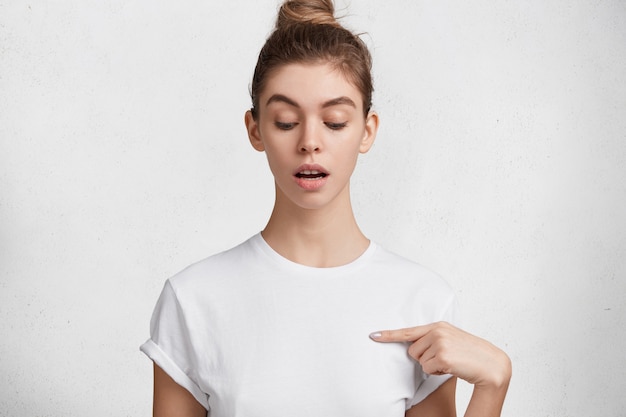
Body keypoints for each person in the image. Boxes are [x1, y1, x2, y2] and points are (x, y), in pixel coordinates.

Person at [140, 0, 512, 416]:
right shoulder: (194, 299)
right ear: (256, 129)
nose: (310, 142)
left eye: (334, 121)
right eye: (285, 121)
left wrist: (494, 384)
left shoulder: (422, 302)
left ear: (367, 131)